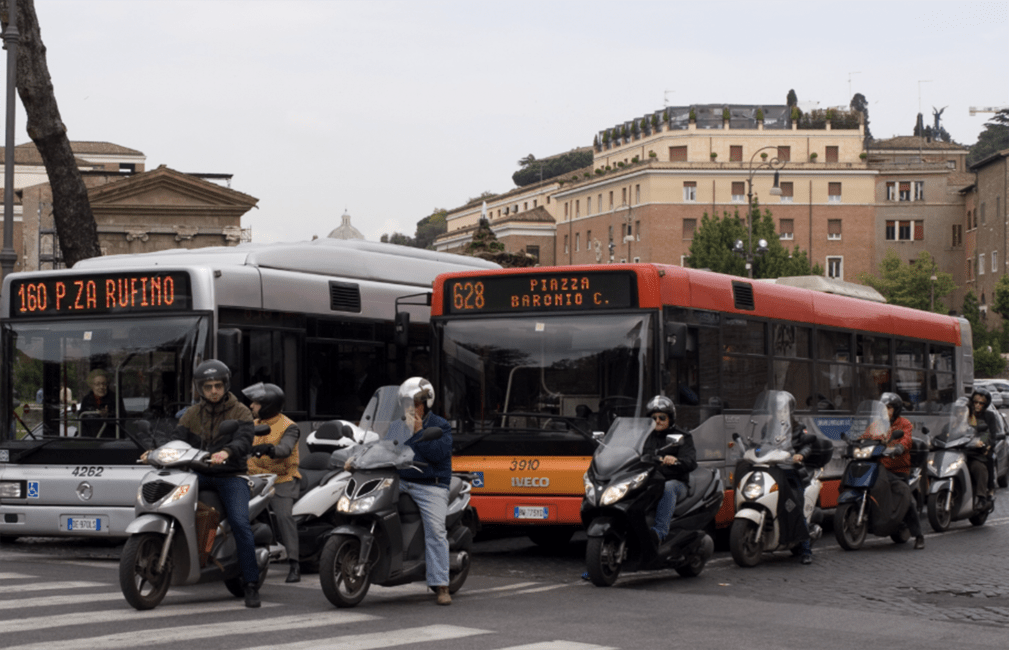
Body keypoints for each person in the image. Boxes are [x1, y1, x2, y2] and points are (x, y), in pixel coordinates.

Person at [142, 360, 260, 607]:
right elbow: (177, 441)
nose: (214, 391)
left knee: (240, 522)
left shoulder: (240, 411)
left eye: (218, 385)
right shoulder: (191, 414)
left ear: (225, 385)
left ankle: (250, 583)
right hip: (198, 474)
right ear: (200, 389)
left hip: (231, 476)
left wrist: (227, 452)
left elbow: (244, 440)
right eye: (208, 387)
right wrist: (157, 452)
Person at [375, 376, 453, 605]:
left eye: (415, 403)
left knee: (436, 531)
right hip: (401, 480)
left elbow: (438, 454)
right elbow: (385, 450)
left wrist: (418, 431)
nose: (411, 408)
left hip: (431, 484)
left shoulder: (440, 425)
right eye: (407, 404)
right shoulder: (397, 426)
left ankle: (441, 585)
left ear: (426, 403)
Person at [244, 382, 302, 583]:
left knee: (284, 516)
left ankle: (294, 564)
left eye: (256, 403)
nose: (251, 406)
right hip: (254, 478)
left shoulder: (289, 427)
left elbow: (285, 449)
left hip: (281, 480)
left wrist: (271, 449)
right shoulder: (253, 424)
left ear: (267, 405)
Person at [862, 392, 925, 550]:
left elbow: (907, 440)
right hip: (880, 467)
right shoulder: (877, 424)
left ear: (896, 410)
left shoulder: (904, 424)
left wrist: (899, 447)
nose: (885, 411)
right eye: (883, 408)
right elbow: (865, 437)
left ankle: (918, 535)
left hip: (898, 469)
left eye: (889, 408)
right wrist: (856, 442)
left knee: (906, 496)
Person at [644, 395, 697, 547]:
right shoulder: (645, 437)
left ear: (670, 419)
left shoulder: (682, 437)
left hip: (676, 482)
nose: (658, 421)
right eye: (654, 418)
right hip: (650, 480)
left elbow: (691, 462)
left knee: (668, 487)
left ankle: (659, 533)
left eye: (662, 417)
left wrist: (675, 461)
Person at [967, 388, 997, 506]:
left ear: (985, 405)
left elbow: (991, 434)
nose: (977, 405)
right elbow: (955, 429)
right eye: (975, 402)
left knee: (988, 459)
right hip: (965, 447)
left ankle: (989, 490)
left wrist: (987, 445)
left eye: (981, 403)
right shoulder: (966, 414)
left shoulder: (989, 416)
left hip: (981, 449)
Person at [79, 369, 125, 437]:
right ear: (92, 386)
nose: (101, 387)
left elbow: (122, 420)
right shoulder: (86, 400)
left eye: (104, 384)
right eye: (97, 384)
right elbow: (83, 423)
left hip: (111, 441)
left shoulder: (115, 399)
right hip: (91, 441)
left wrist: (107, 417)